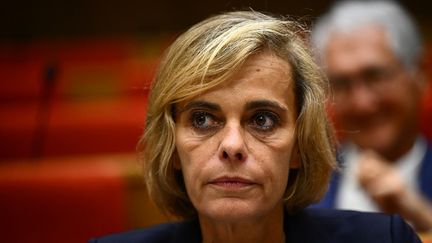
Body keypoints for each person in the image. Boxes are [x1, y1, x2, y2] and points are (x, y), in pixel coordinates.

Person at [90, 10, 420, 242]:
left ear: (299, 148)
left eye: (263, 120)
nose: (232, 145)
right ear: (173, 148)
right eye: (203, 119)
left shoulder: (384, 239)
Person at [311, 0, 432, 231]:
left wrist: (422, 216)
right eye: (342, 83)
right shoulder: (303, 192)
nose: (363, 103)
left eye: (375, 76)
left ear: (420, 74)